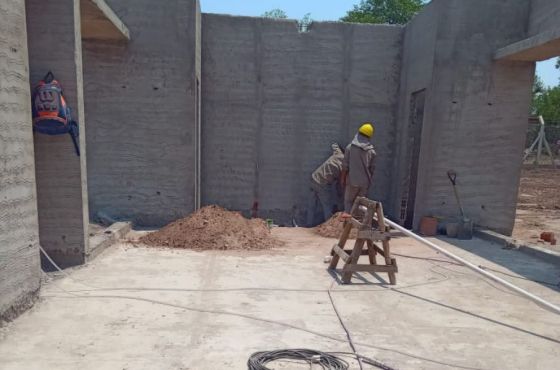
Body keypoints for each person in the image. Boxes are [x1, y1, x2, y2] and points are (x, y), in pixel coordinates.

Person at [341, 123, 376, 215]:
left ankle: (348, 226)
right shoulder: (371, 151)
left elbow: (345, 166)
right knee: (360, 205)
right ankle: (357, 227)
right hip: (364, 183)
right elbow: (372, 169)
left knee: (348, 202)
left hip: (352, 181)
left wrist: (342, 179)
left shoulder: (350, 148)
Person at [307, 143, 345, 226]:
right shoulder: (343, 167)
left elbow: (334, 145)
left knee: (312, 205)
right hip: (323, 184)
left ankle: (308, 224)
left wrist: (337, 146)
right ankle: (328, 225)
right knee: (327, 205)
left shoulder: (338, 153)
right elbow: (340, 183)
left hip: (314, 178)